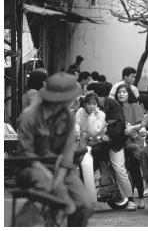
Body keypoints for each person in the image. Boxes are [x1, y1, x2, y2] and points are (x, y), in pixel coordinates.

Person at [16, 72, 92, 226]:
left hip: (60, 169)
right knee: (56, 200)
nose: (74, 100)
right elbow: (26, 154)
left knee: (84, 205)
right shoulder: (29, 116)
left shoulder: (68, 116)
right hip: (33, 168)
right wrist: (52, 181)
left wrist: (58, 179)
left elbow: (67, 153)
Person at [86, 82, 137, 210]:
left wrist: (108, 136)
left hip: (115, 142)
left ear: (100, 96)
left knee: (119, 168)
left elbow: (119, 125)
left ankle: (130, 199)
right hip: (96, 142)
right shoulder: (88, 105)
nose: (90, 98)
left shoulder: (113, 104)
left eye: (93, 94)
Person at [114, 84, 146, 209]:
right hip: (119, 142)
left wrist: (131, 128)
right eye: (119, 92)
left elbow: (141, 123)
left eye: (124, 92)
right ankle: (128, 197)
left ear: (129, 94)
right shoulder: (115, 107)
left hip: (133, 141)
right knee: (123, 170)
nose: (121, 94)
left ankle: (141, 197)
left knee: (134, 169)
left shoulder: (135, 106)